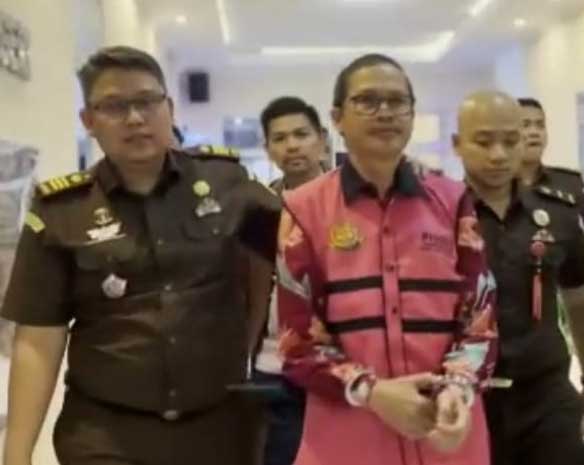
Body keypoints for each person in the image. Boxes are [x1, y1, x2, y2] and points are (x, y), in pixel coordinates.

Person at [1, 46, 280, 465]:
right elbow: (39, 340)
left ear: (169, 108)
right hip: (105, 435)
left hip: (219, 429)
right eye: (115, 106)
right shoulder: (61, 210)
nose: (135, 118)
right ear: (88, 121)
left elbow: (298, 244)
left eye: (147, 101)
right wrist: (16, 455)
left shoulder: (227, 183)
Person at [276, 53, 498, 465]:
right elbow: (297, 343)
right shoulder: (303, 209)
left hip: (445, 430)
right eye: (367, 101)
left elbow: (480, 321)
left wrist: (457, 386)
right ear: (337, 118)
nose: (385, 113)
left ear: (412, 114)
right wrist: (372, 391)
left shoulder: (452, 201)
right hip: (345, 437)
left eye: (397, 101)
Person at [453, 91, 584, 465]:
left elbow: (581, 300)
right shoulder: (439, 218)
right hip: (468, 398)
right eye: (484, 142)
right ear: (457, 144)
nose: (498, 155)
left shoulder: (558, 215)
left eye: (510, 141)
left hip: (546, 396)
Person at [250, 96, 327, 465]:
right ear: (267, 149)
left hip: (341, 363)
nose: (292, 145)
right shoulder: (260, 210)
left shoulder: (349, 203)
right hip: (275, 367)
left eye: (301, 134)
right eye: (280, 139)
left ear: (322, 139)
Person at [518, 97, 584, 234]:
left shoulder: (570, 183)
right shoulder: (497, 186)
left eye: (540, 125)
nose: (534, 132)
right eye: (525, 125)